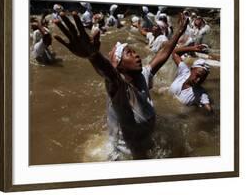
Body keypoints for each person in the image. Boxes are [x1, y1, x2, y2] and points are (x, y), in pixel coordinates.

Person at [54, 11, 189, 160]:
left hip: (144, 145)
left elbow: (163, 53)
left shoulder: (142, 75)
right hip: (122, 156)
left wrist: (178, 32)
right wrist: (93, 56)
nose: (137, 55)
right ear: (119, 65)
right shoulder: (119, 88)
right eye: (129, 53)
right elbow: (109, 74)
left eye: (135, 52)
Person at [169, 45, 212, 111]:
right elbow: (174, 53)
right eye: (197, 75)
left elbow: (209, 110)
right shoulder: (184, 71)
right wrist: (193, 48)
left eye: (203, 78)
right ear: (191, 69)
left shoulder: (201, 93)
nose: (198, 80)